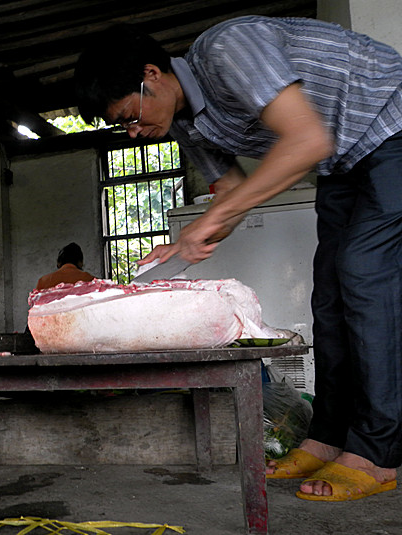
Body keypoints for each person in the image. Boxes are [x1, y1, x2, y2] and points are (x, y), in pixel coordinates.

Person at [75, 16, 402, 502]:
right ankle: (330, 435)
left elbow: (306, 140)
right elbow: (229, 193)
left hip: (391, 124)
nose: (132, 132)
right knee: (329, 290)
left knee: (363, 273)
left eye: (129, 116)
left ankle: (380, 452)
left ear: (152, 75)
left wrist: (214, 218)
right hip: (343, 164)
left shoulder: (228, 49)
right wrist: (184, 240)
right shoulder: (191, 126)